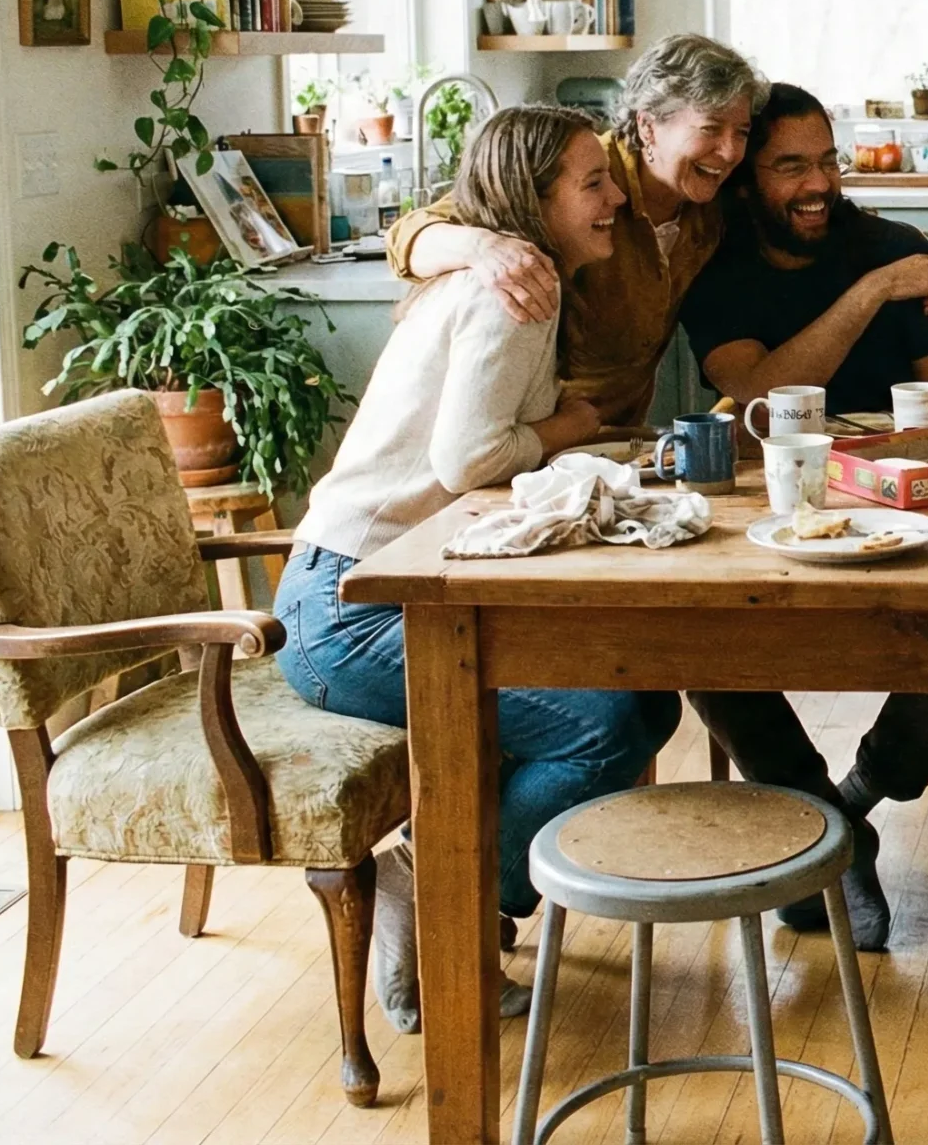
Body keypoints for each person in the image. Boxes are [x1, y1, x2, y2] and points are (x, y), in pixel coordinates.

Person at [273, 106, 683, 1033]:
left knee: (646, 698)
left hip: (395, 587)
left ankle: (444, 882)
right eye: (593, 182)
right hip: (350, 610)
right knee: (606, 723)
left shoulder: (520, 284)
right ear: (536, 203)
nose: (616, 195)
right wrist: (572, 431)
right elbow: (467, 461)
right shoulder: (509, 294)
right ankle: (433, 891)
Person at [673, 82, 928, 951]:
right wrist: (874, 291)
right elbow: (762, 396)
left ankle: (848, 808)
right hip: (774, 519)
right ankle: (825, 827)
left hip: (906, 512)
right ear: (744, 180)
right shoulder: (718, 270)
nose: (819, 184)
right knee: (697, 647)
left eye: (828, 161)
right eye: (790, 167)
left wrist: (899, 278)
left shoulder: (898, 243)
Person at [381, 34, 928, 425]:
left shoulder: (714, 205)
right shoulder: (586, 177)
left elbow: (816, 216)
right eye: (711, 129)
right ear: (648, 127)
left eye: (740, 132)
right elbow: (410, 233)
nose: (729, 151)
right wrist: (484, 246)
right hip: (523, 438)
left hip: (612, 442)